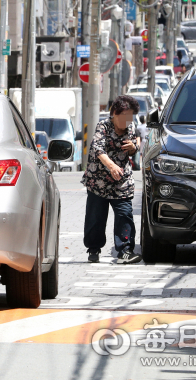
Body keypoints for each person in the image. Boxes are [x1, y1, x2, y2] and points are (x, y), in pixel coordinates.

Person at [82, 95, 142, 264]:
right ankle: (93, 249)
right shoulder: (103, 126)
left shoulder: (131, 127)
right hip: (99, 180)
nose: (127, 120)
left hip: (121, 181)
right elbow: (97, 148)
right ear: (115, 113)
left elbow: (136, 141)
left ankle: (125, 250)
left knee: (125, 214)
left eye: (130, 116)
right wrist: (111, 166)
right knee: (96, 217)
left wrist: (134, 148)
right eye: (124, 116)